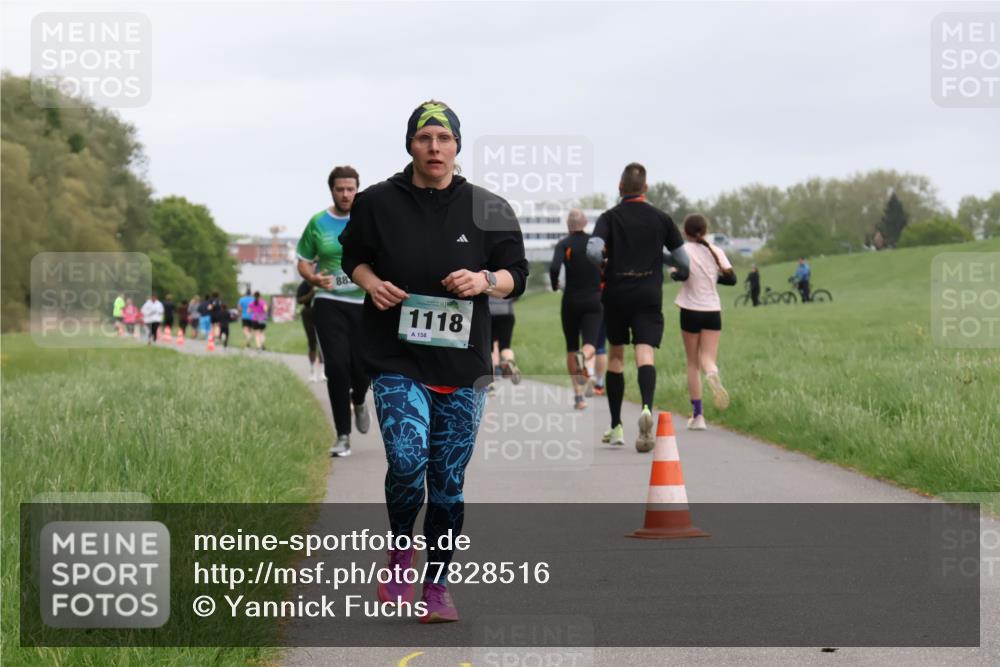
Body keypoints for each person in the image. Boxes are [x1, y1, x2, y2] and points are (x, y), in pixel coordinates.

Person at [340, 100, 527, 623]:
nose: (435, 148)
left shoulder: (489, 207)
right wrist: (372, 283)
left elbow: (517, 273)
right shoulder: (377, 201)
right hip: (397, 357)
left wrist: (485, 280)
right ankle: (401, 549)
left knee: (447, 478)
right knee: (406, 458)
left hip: (463, 367)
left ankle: (438, 584)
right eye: (425, 138)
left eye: (444, 139)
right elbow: (351, 256)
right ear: (411, 145)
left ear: (458, 146)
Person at [587, 162, 689, 452]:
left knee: (617, 355)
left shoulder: (609, 217)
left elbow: (592, 249)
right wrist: (663, 260)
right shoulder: (662, 219)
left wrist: (604, 264)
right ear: (646, 188)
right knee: (644, 352)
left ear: (620, 188)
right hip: (648, 292)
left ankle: (616, 424)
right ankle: (646, 407)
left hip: (617, 292)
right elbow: (684, 262)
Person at [296, 166, 372, 457]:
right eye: (340, 189)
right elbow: (303, 260)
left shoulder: (368, 219)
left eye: (350, 189)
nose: (345, 194)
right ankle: (342, 435)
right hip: (329, 301)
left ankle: (360, 398)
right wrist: (313, 278)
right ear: (332, 190)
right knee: (337, 366)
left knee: (362, 366)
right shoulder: (318, 222)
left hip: (364, 302)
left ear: (357, 189)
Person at [672, 214, 736, 430]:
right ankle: (713, 374)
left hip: (690, 310)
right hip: (712, 311)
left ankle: (698, 417)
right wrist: (712, 276)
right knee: (708, 359)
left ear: (685, 232)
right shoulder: (715, 250)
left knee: (692, 363)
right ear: (706, 230)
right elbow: (732, 278)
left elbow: (678, 275)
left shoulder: (682, 251)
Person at [550, 208, 602, 410]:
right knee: (589, 344)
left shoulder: (563, 244)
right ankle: (585, 356)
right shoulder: (594, 243)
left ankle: (579, 396)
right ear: (585, 223)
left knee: (571, 346)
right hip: (594, 299)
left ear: (568, 226)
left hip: (571, 300)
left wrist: (555, 284)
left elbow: (554, 268)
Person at [296, 279, 325, 382]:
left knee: (322, 342)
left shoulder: (326, 280)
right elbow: (299, 300)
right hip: (308, 314)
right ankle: (312, 370)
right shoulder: (305, 284)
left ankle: (322, 371)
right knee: (312, 342)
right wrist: (312, 292)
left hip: (323, 313)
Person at [489, 295, 521, 385]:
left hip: (489, 314)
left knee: (489, 349)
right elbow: (517, 294)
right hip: (507, 313)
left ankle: (491, 381)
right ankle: (510, 362)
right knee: (505, 346)